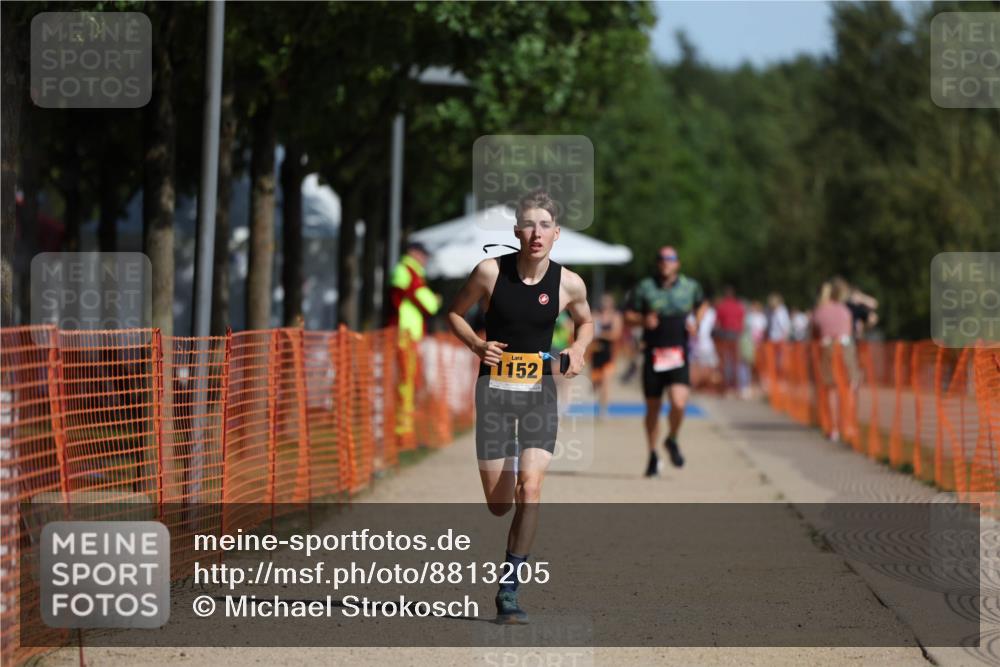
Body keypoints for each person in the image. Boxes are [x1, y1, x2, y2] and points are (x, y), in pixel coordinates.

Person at [447, 190, 592, 624]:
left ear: (556, 233)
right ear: (516, 232)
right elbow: (453, 314)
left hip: (539, 395)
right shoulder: (490, 273)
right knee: (499, 503)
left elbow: (586, 321)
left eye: (544, 225)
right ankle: (505, 476)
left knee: (530, 489)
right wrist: (476, 343)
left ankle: (509, 590)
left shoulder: (569, 283)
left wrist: (580, 349)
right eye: (528, 224)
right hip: (494, 392)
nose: (536, 233)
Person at [624, 246, 707, 477]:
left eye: (670, 259)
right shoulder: (645, 287)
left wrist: (696, 322)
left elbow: (703, 304)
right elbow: (628, 316)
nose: (665, 262)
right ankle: (652, 454)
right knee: (653, 408)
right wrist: (642, 320)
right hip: (653, 354)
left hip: (678, 354)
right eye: (661, 259)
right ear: (657, 263)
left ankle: (672, 438)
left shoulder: (690, 287)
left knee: (679, 403)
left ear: (677, 263)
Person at [388, 241, 441, 446]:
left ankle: (406, 430)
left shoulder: (413, 273)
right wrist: (433, 301)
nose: (426, 258)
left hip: (409, 335)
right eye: (423, 254)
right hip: (404, 334)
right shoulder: (407, 271)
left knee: (410, 383)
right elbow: (423, 301)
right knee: (405, 383)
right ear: (413, 253)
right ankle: (402, 432)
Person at [812, 277, 859, 442]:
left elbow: (814, 331)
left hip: (827, 349)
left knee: (830, 388)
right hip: (845, 348)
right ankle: (849, 426)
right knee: (849, 387)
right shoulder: (845, 311)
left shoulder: (820, 310)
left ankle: (834, 429)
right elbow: (853, 330)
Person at [590, 294, 624, 417]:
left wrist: (600, 334)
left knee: (605, 382)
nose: (604, 305)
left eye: (607, 303)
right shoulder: (595, 315)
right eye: (603, 303)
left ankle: (603, 410)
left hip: (609, 354)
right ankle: (598, 403)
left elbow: (615, 334)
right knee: (595, 384)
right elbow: (589, 332)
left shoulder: (615, 317)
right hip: (595, 354)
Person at [713, 286, 745, 396]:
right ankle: (735, 387)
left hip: (724, 335)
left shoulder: (721, 306)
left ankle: (725, 388)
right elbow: (742, 320)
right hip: (735, 335)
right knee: (735, 362)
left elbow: (717, 322)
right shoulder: (738, 306)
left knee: (724, 363)